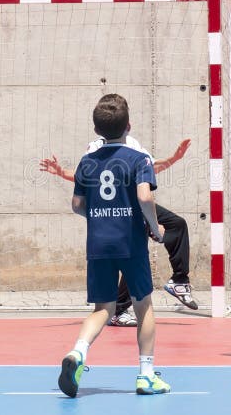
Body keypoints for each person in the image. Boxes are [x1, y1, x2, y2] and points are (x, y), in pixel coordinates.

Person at [58, 93, 171, 397]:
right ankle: (146, 375)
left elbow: (77, 204)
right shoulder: (139, 159)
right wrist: (155, 227)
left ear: (97, 131)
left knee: (103, 308)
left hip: (98, 242)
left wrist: (97, 215)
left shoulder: (86, 162)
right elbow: (145, 197)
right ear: (129, 126)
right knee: (143, 304)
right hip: (130, 242)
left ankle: (78, 353)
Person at [41, 137, 197, 326]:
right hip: (118, 209)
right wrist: (62, 172)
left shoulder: (132, 144)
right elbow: (85, 175)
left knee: (177, 225)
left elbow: (152, 167)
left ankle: (179, 281)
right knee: (132, 256)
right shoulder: (95, 147)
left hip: (136, 203)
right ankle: (119, 310)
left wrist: (174, 158)